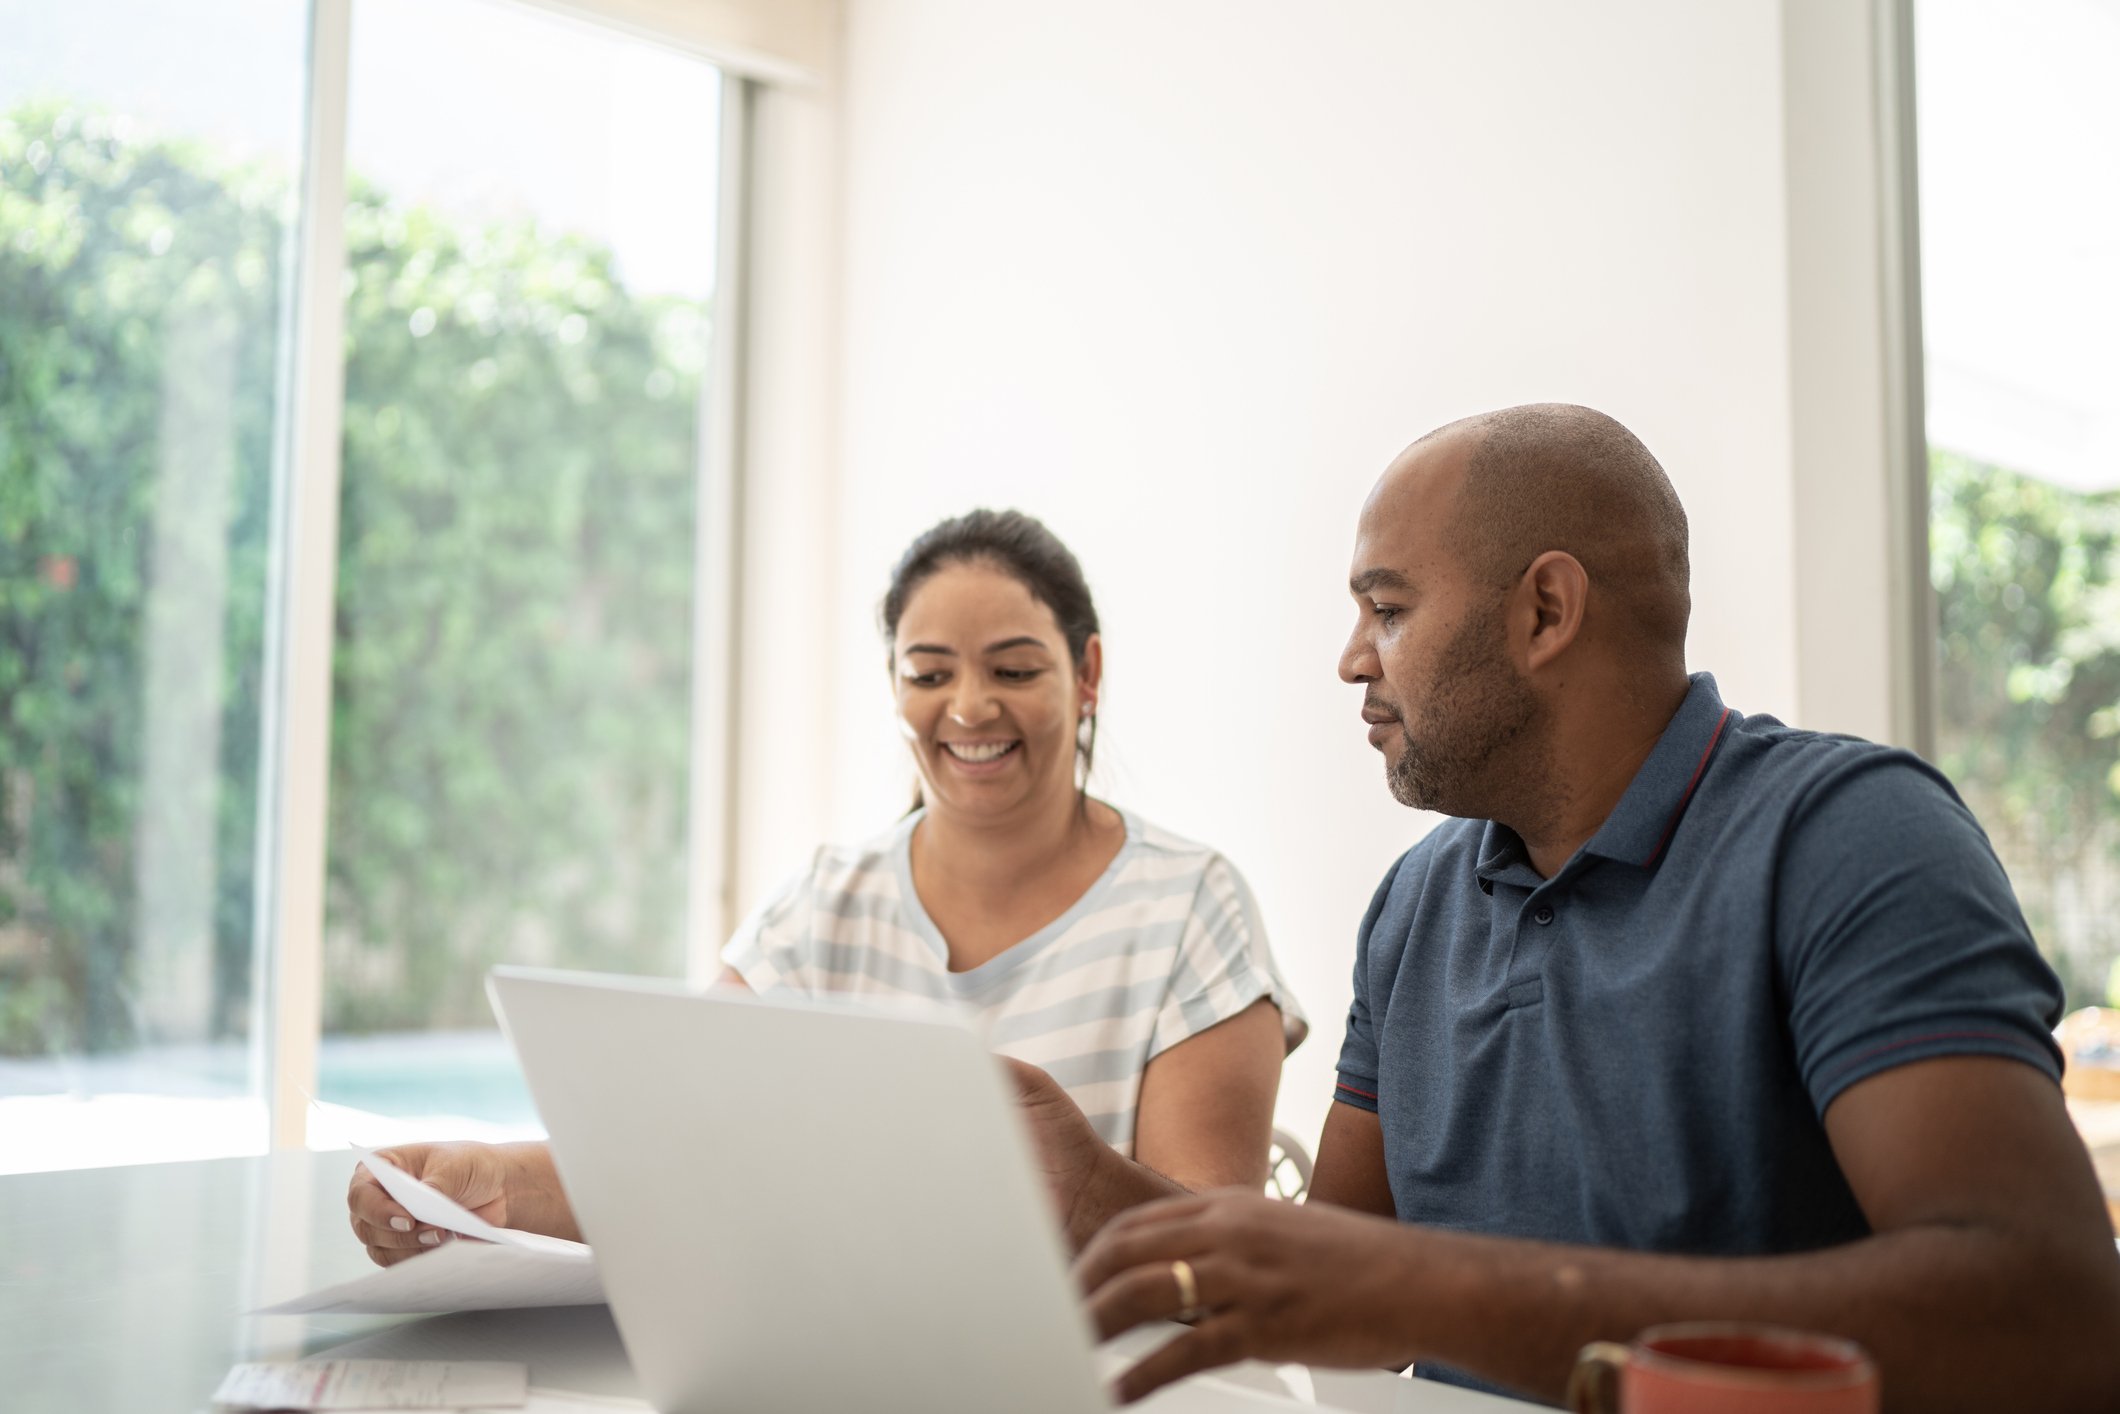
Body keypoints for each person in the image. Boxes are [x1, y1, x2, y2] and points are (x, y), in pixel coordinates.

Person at [1071, 405, 2120, 1412]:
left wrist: (1440, 1290)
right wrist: (1078, 1182)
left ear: (1544, 611)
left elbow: (2047, 1321)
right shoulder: (1416, 900)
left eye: (1386, 609)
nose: (1351, 658)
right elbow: (1347, 1296)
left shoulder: (1849, 837)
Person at [348, 508, 1306, 1263]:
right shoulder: (824, 906)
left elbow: (1221, 1256)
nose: (970, 707)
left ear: (1086, 673)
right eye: (928, 673)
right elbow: (671, 1147)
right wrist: (480, 1187)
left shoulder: (1189, 905)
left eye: (1014, 668)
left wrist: (1087, 1185)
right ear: (894, 687)